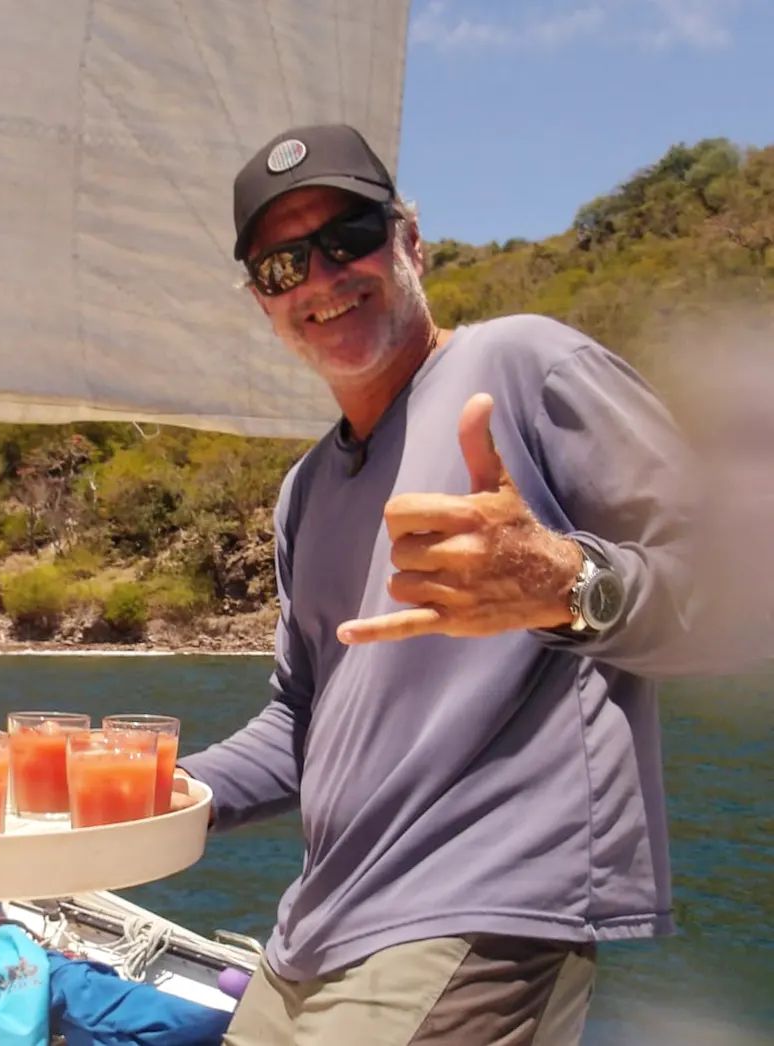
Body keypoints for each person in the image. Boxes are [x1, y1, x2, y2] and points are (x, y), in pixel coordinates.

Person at [175, 125, 703, 1045]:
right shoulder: (304, 492)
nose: (320, 278)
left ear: (410, 242)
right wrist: (159, 789)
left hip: (481, 914)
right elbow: (301, 723)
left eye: (349, 237)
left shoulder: (522, 368)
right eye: (282, 265)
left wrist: (570, 585)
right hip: (312, 931)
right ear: (263, 302)